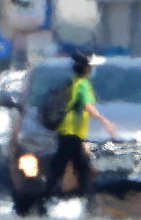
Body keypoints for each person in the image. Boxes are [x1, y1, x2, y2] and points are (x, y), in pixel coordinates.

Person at [47, 52, 115, 199]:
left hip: (71, 133)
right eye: (92, 67)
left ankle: (83, 196)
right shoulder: (83, 84)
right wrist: (105, 121)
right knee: (62, 166)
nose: (93, 70)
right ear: (86, 69)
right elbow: (87, 105)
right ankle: (47, 196)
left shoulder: (76, 82)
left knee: (79, 166)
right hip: (71, 133)